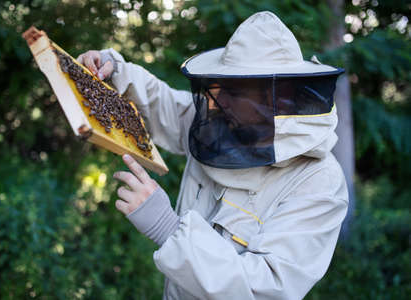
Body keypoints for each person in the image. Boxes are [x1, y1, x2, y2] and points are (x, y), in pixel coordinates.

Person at [77, 11, 348, 300]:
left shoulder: (319, 182)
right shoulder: (219, 123)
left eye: (235, 90)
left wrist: (168, 229)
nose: (220, 99)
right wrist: (114, 69)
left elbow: (265, 289)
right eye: (221, 86)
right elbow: (161, 103)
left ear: (274, 96)